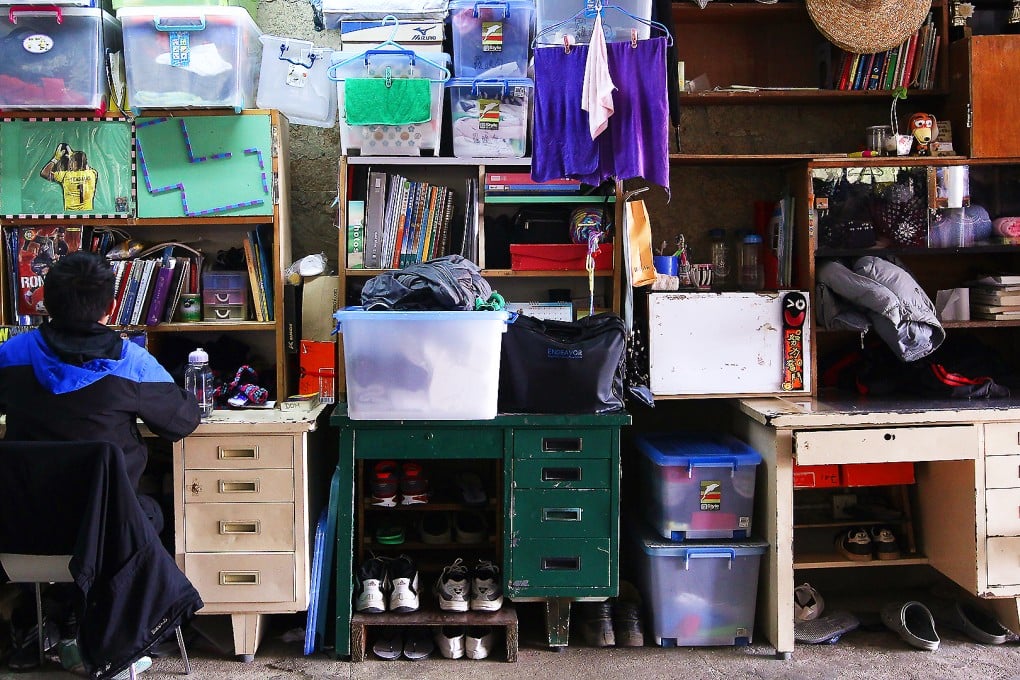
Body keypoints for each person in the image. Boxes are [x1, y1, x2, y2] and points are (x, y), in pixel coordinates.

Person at [0, 250, 202, 673]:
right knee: (155, 511)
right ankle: (127, 630)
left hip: (21, 530)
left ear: (43, 301)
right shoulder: (130, 362)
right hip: (108, 537)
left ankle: (47, 617)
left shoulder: (10, 356)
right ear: (111, 305)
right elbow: (182, 422)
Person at [40, 143, 99, 212]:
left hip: (71, 215)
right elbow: (86, 166)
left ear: (74, 162)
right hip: (87, 214)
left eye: (71, 161)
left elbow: (44, 173)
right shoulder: (93, 174)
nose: (70, 164)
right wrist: (76, 157)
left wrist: (55, 159)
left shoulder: (66, 175)